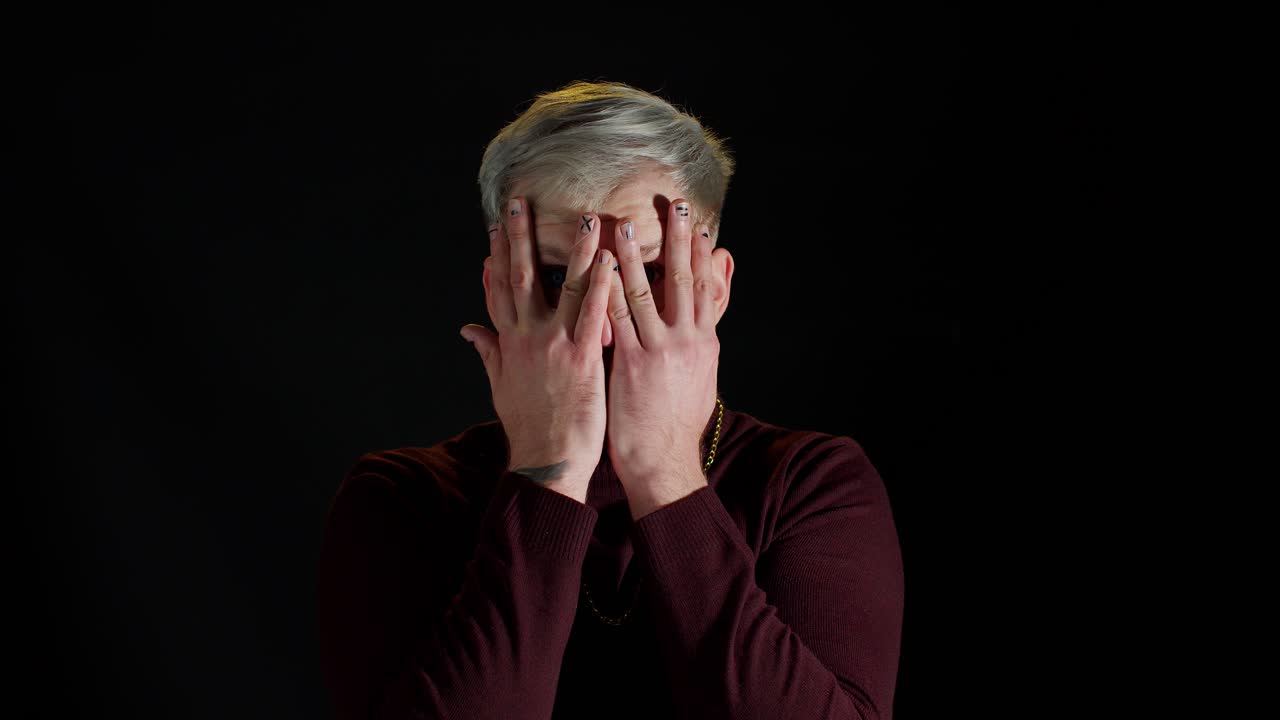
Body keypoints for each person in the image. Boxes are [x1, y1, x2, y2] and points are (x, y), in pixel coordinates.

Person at [317, 80, 904, 720]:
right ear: (497, 288)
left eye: (644, 272)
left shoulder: (813, 484)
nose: (599, 321)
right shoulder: (402, 498)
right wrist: (549, 466)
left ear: (715, 286)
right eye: (555, 275)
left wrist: (665, 471)